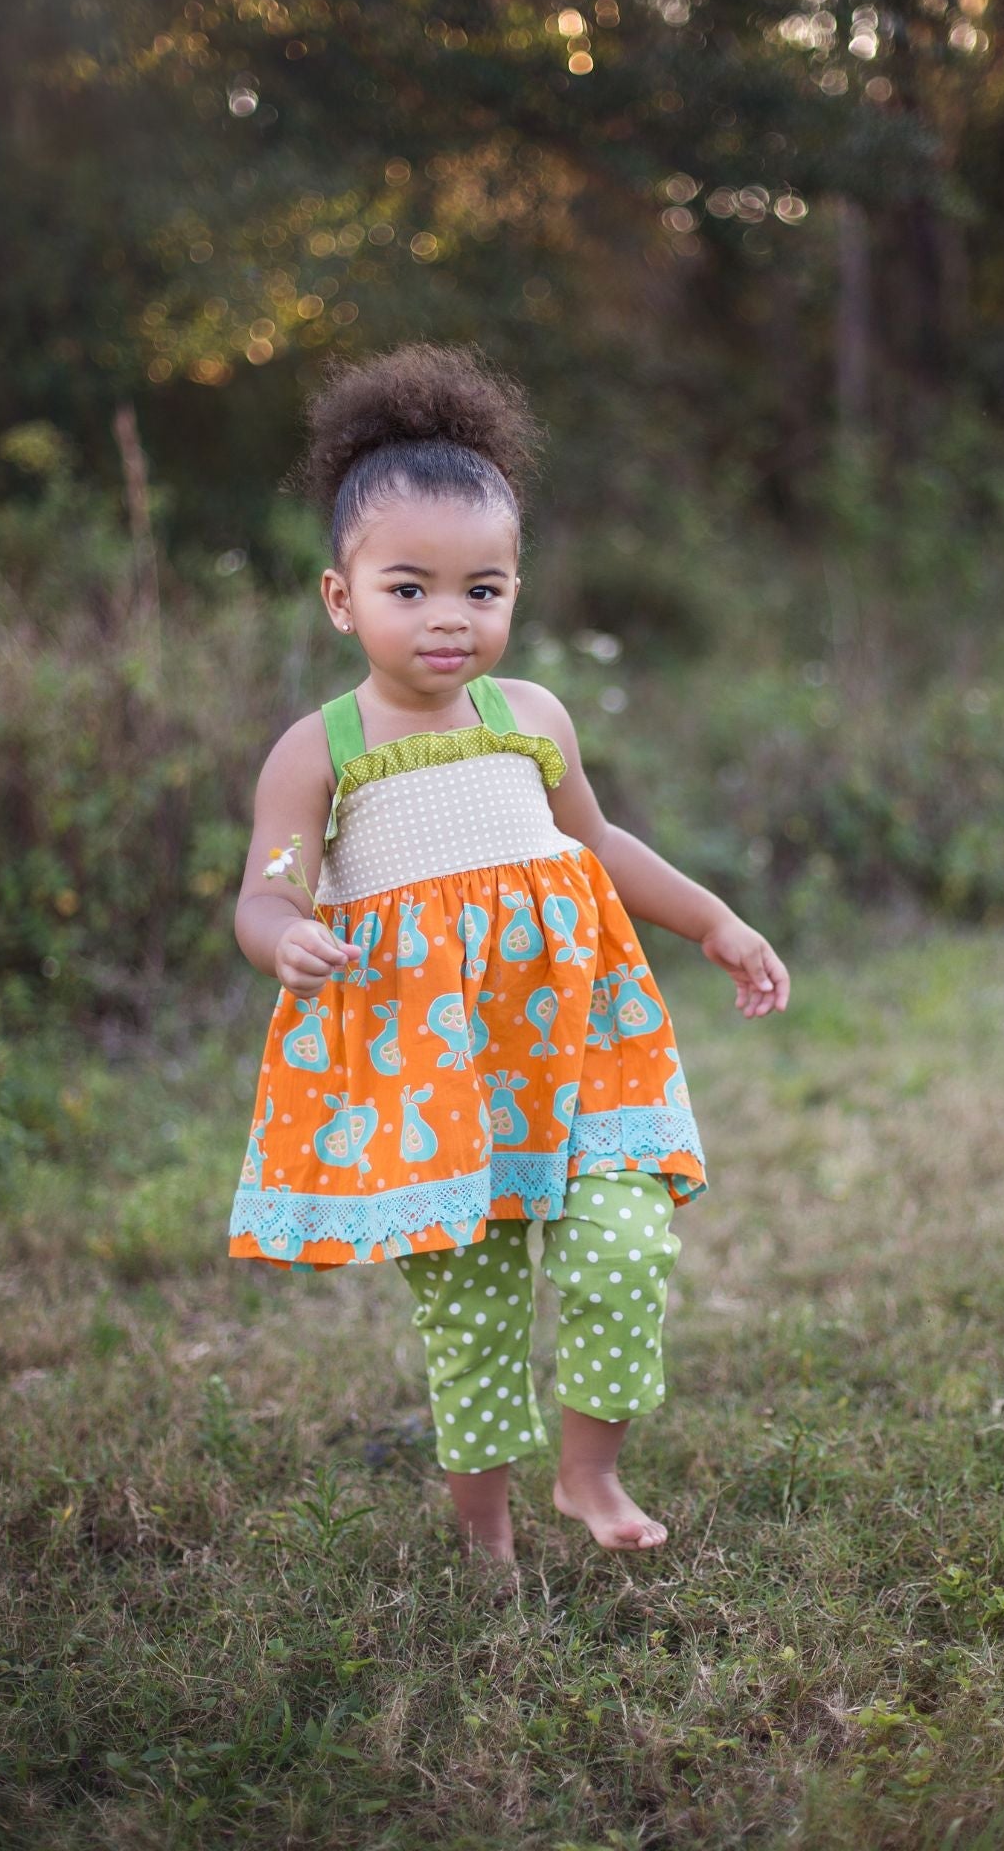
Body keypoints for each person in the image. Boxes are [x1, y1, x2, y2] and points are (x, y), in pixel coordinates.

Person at [228, 340, 789, 1562]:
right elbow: (267, 887)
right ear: (343, 596)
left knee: (625, 1244)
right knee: (471, 1308)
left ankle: (589, 1472)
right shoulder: (317, 748)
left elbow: (595, 843)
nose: (449, 617)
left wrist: (713, 919)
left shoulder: (531, 716)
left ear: (516, 590)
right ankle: (482, 1526)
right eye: (410, 587)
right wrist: (287, 936)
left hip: (577, 1040)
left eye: (482, 589)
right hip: (440, 1072)